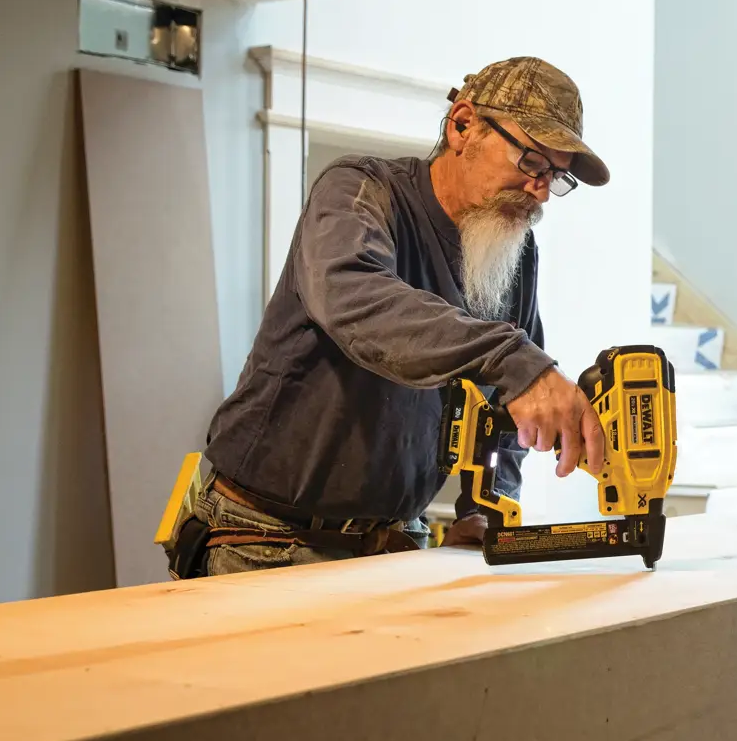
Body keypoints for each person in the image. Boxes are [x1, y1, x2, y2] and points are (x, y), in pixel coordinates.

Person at [167, 56, 610, 577]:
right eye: (532, 161)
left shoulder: (514, 249)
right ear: (463, 125)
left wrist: (486, 508)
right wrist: (516, 360)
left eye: (557, 178)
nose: (541, 190)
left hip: (396, 539)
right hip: (263, 538)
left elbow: (505, 409)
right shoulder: (359, 191)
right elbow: (358, 300)